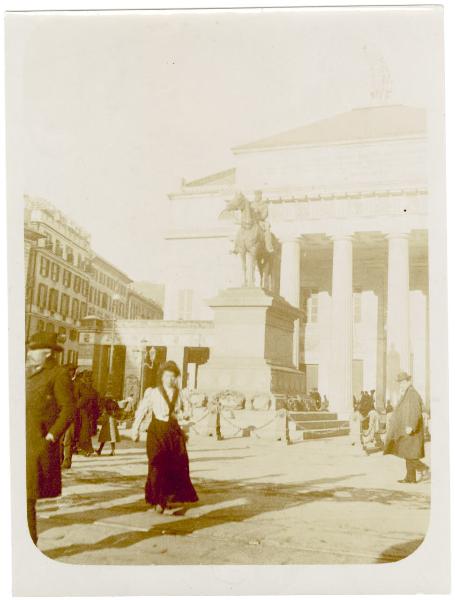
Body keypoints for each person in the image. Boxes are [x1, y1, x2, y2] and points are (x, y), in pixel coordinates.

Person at [26, 332, 76, 545]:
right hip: (19, 442)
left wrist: (51, 436)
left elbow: (69, 409)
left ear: (47, 353)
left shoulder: (58, 374)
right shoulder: (27, 373)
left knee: (25, 500)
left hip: (35, 446)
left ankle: (28, 546)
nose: (28, 353)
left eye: (33, 350)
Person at [131, 360, 198, 514]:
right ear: (162, 377)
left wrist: (181, 415)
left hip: (173, 433)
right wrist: (135, 429)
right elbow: (141, 411)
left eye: (173, 376)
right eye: (167, 376)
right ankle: (157, 501)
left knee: (172, 467)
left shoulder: (180, 394)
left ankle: (164, 501)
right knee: (156, 465)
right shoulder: (153, 392)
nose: (170, 379)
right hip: (156, 431)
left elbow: (189, 411)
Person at [383, 371, 430, 483]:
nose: (401, 384)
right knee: (408, 453)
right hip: (407, 429)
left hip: (411, 430)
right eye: (400, 383)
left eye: (403, 382)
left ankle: (424, 469)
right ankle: (410, 478)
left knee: (410, 454)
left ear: (408, 381)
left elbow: (415, 411)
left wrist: (411, 426)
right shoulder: (407, 392)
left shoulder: (412, 393)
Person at [61, 364, 78, 469]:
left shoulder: (76, 385)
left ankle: (67, 462)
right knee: (59, 440)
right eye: (69, 371)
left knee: (68, 440)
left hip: (71, 416)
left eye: (73, 371)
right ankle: (60, 460)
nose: (71, 373)